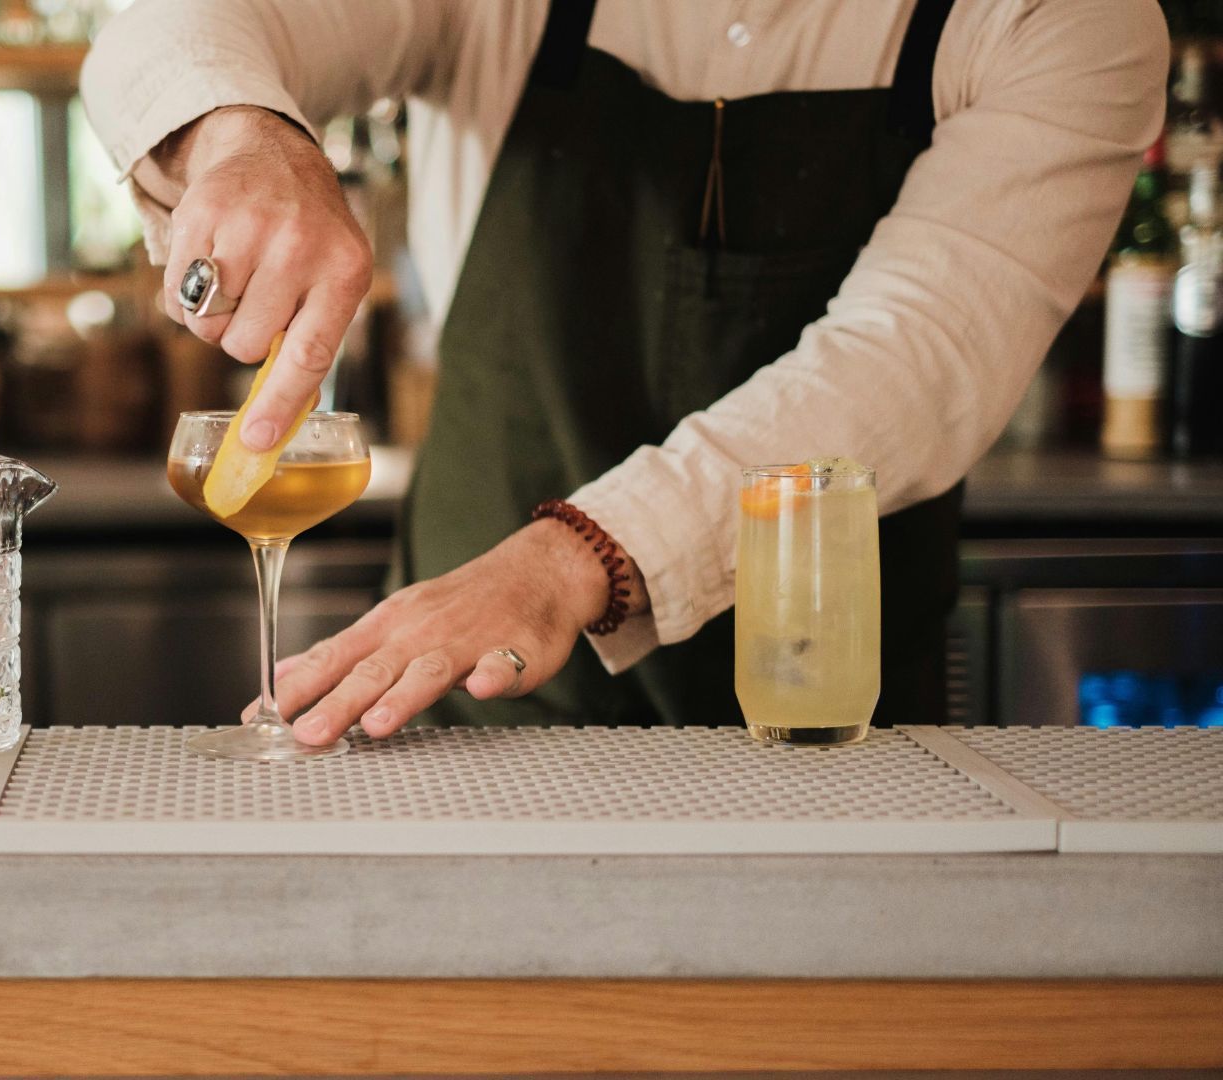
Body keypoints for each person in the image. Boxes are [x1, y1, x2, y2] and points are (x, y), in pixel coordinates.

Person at [82, 0, 1168, 746]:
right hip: (466, 728)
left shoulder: (1060, 21)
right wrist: (244, 134)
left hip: (832, 744)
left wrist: (569, 562)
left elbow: (912, 357)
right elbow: (177, 26)